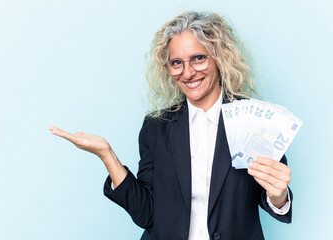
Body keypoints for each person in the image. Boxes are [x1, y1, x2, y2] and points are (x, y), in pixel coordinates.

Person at [50, 11, 292, 240]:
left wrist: (278, 195)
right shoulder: (156, 128)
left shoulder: (255, 120)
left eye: (198, 58)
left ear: (219, 57)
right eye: (176, 62)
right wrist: (107, 155)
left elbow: (275, 200)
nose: (188, 73)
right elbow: (146, 213)